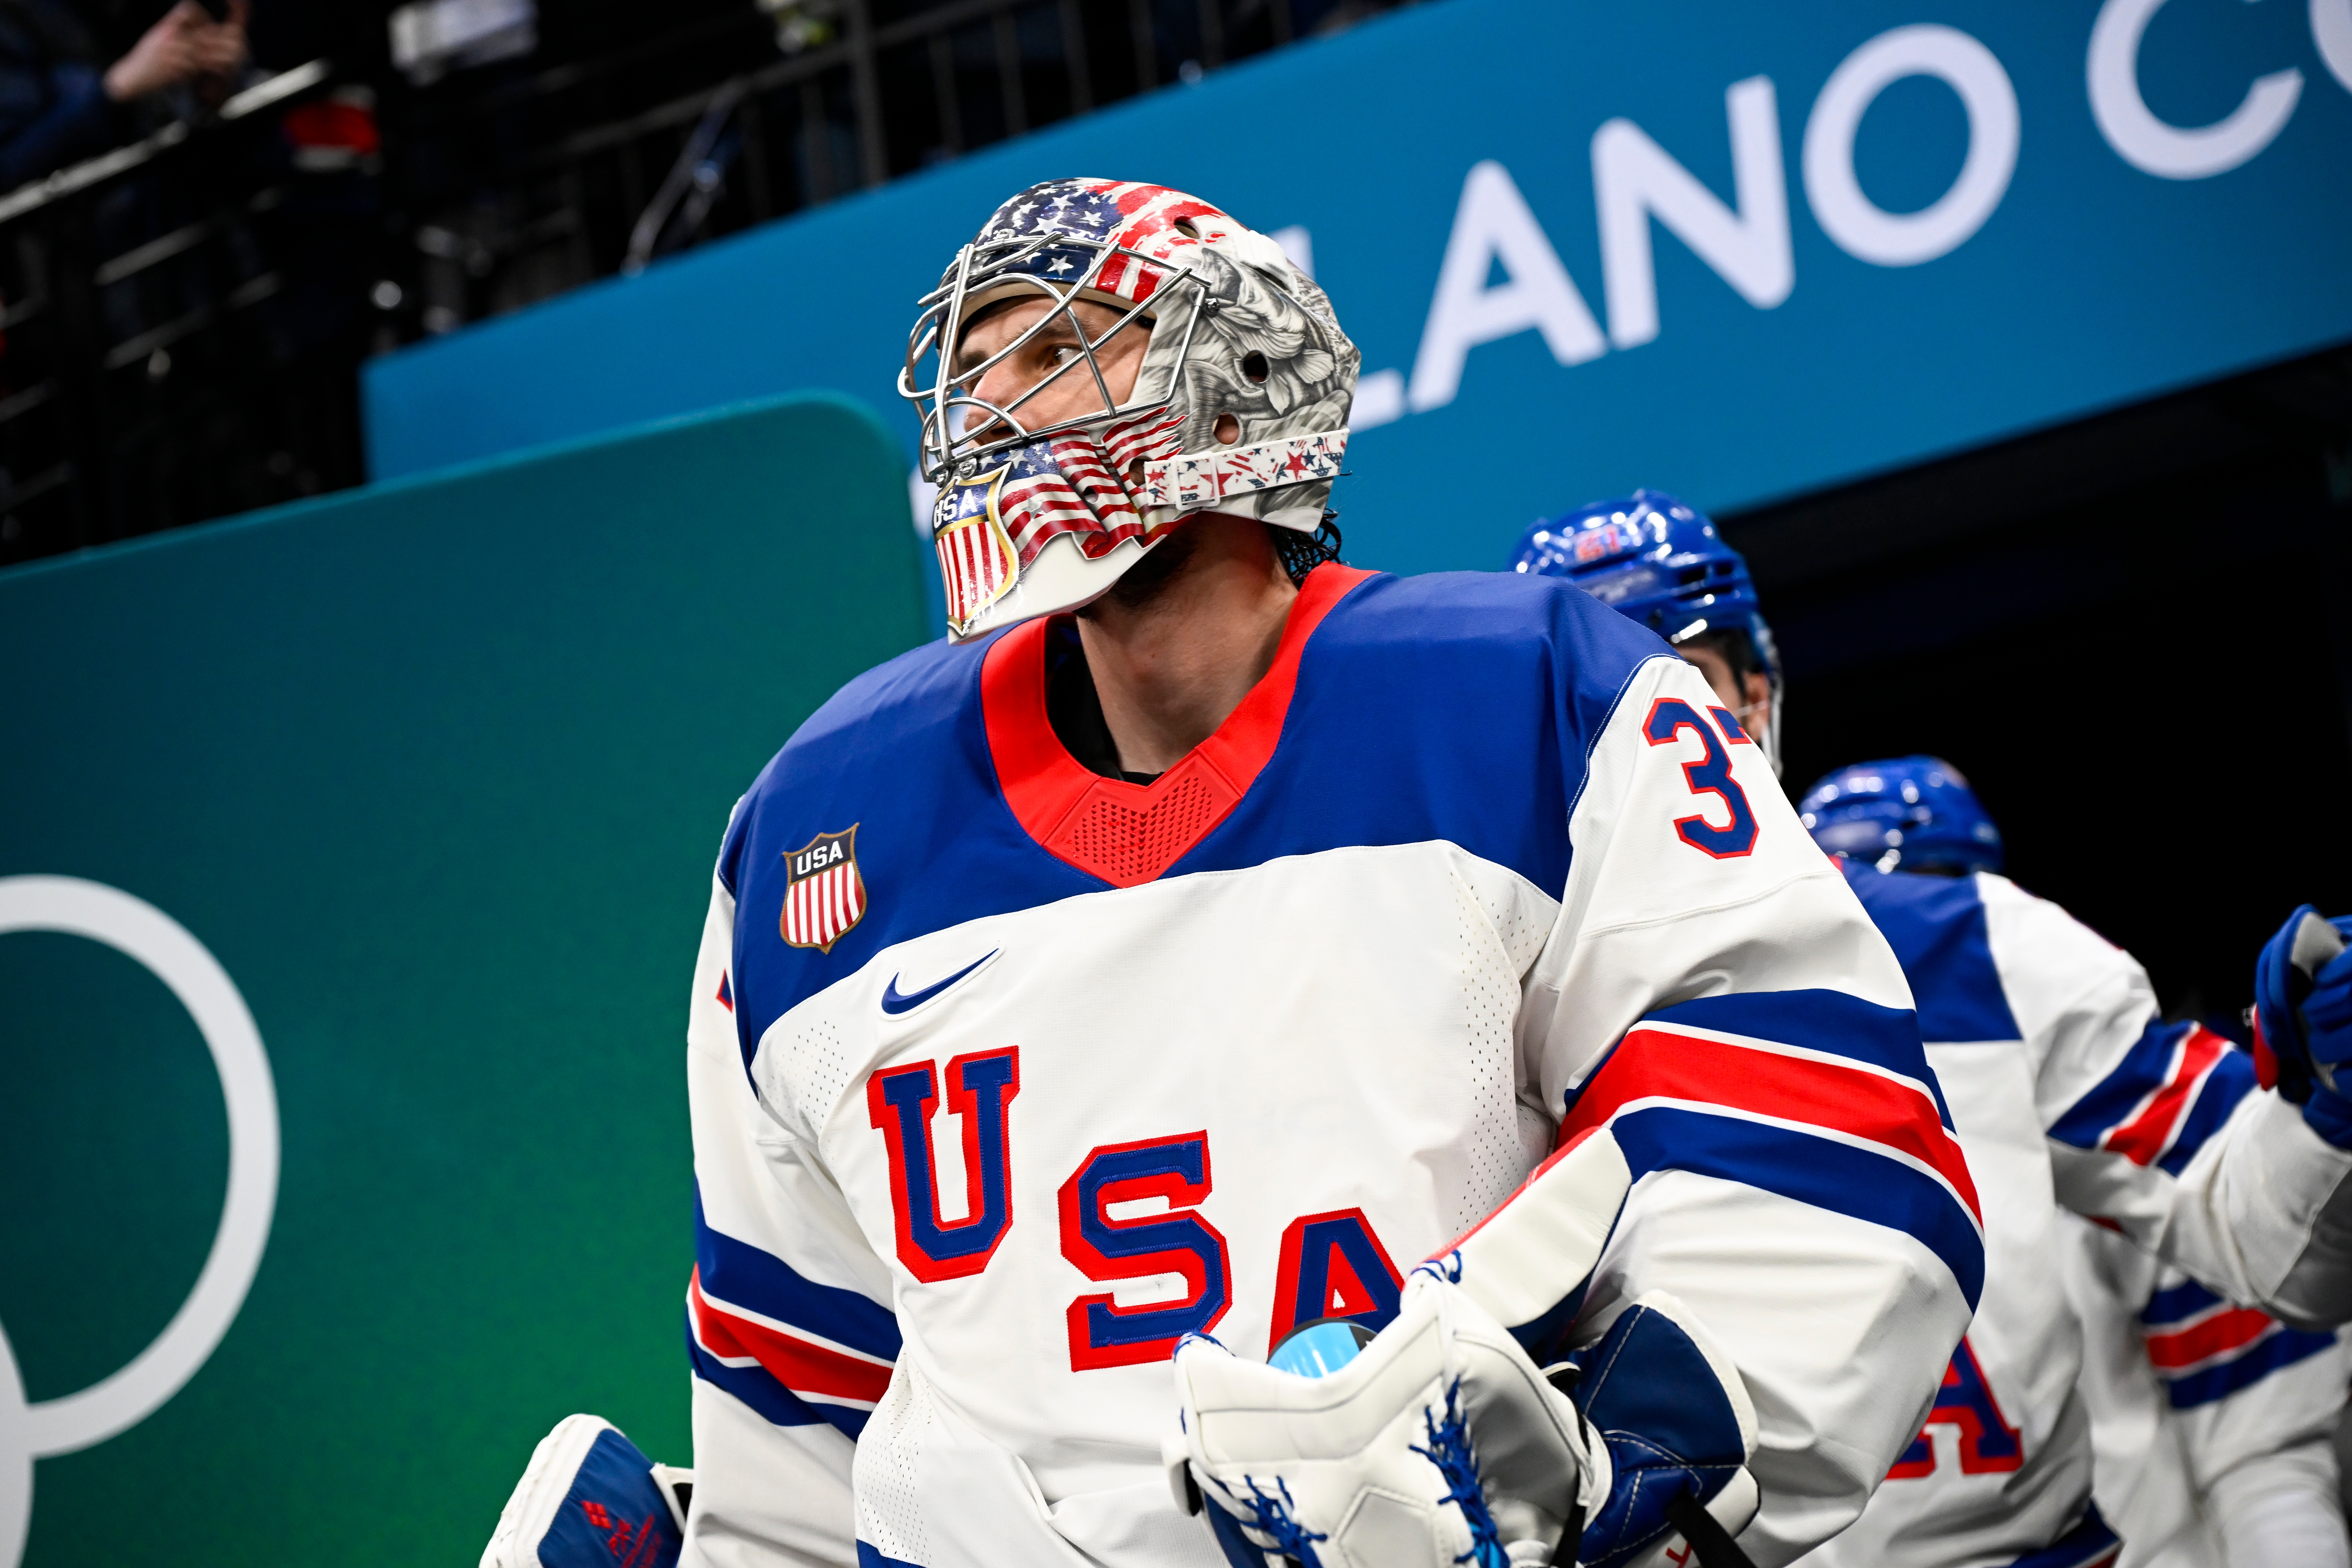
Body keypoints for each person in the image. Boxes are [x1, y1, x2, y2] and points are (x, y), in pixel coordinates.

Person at [651, 180, 1988, 1568]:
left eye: (1057, 351)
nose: (998, 413)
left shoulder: (1531, 699)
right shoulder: (818, 820)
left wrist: (1621, 1475)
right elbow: (796, 1391)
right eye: (978, 369)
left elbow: (1812, 1141)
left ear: (1239, 386)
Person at [1513, 494, 2352, 1567]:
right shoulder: (1476, 1010)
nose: (1637, 747)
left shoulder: (1982, 950)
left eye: (1672, 693)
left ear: (1755, 699)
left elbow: (2265, 1234)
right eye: (1589, 711)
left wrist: (2327, 1111)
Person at [0, 0, 248, 192]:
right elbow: (11, 168)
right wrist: (115, 91)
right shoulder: (14, 22)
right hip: (109, 241)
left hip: (218, 211)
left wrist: (217, 80)